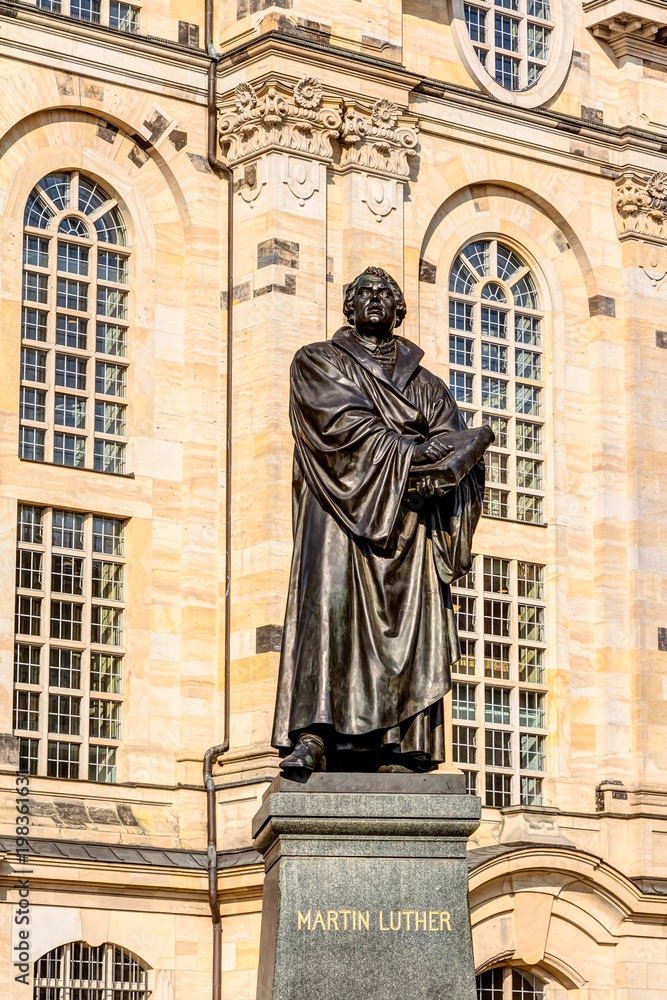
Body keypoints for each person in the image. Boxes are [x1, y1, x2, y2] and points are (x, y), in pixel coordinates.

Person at [271, 266, 489, 776]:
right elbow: (339, 426)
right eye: (364, 292)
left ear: (399, 310)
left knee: (409, 626)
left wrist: (460, 453)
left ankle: (399, 743)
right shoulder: (317, 361)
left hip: (408, 528)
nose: (374, 299)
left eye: (385, 293)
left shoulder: (428, 385)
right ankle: (315, 735)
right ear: (349, 307)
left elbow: (456, 447)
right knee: (327, 609)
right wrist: (421, 452)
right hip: (338, 512)